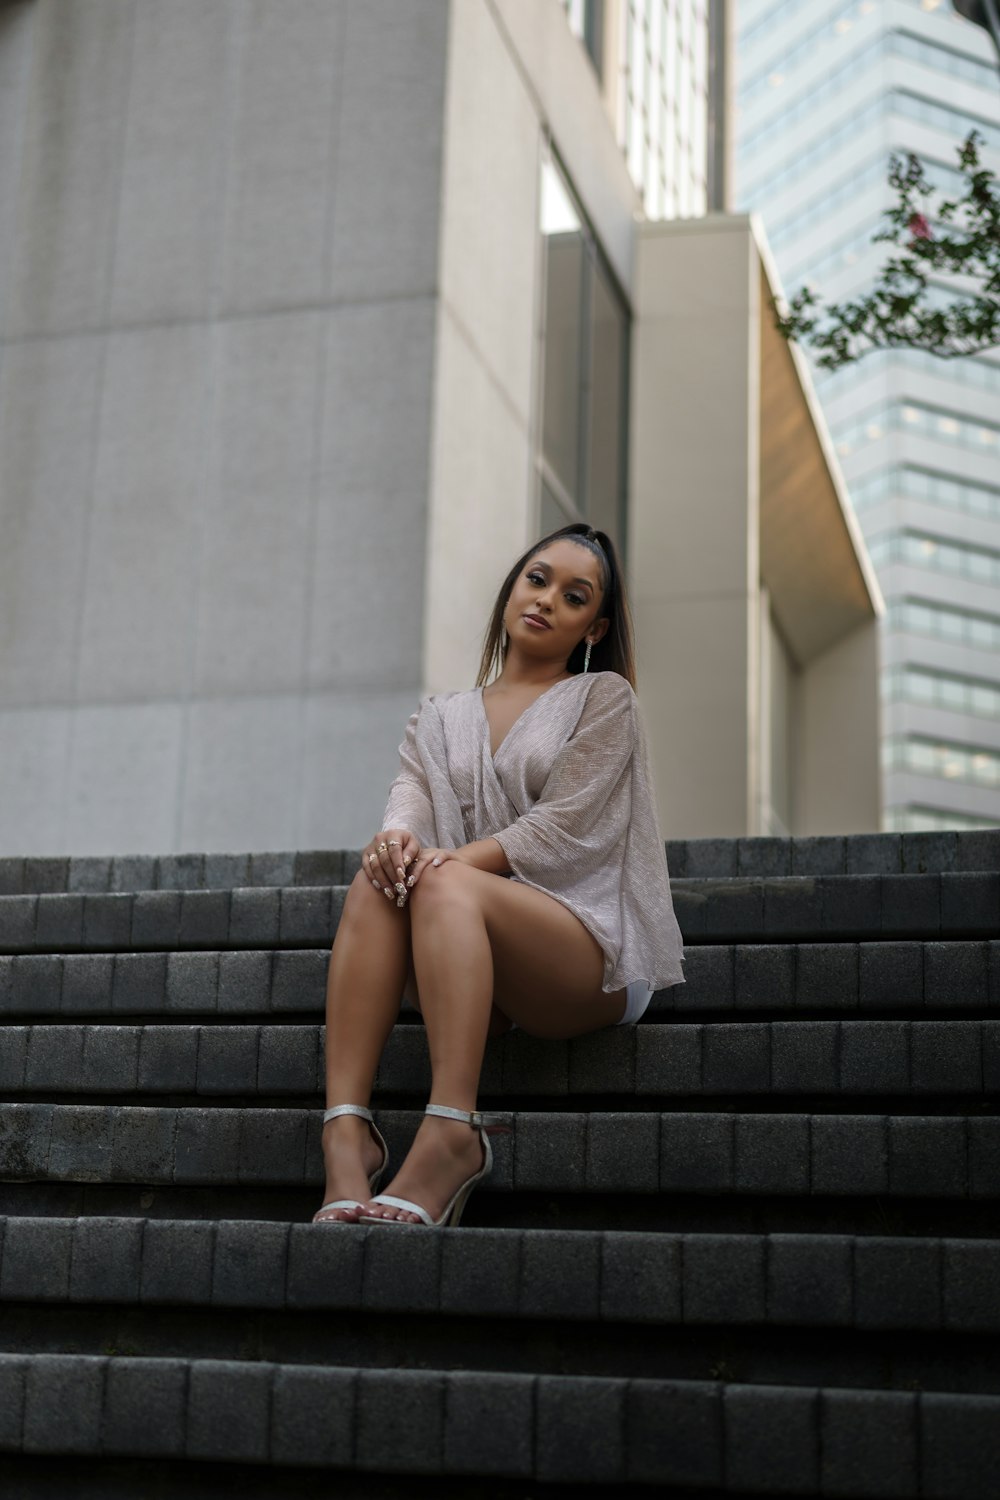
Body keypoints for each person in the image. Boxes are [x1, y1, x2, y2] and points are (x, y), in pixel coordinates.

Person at [314, 522, 686, 1228]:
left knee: (442, 879)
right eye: (536, 579)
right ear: (512, 588)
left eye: (574, 596)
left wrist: (446, 862)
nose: (547, 600)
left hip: (586, 950)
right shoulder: (441, 715)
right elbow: (410, 804)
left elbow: (562, 829)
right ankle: (346, 1135)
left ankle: (452, 1129)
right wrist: (395, 841)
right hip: (468, 944)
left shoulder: (602, 699)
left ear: (593, 625)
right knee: (377, 877)